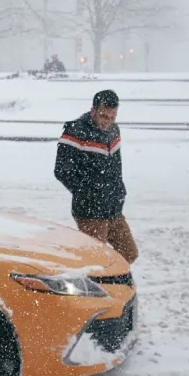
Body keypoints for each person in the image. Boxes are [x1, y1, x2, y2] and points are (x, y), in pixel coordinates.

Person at [54, 88, 139, 264]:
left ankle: (113, 284)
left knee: (129, 253)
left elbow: (116, 168)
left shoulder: (113, 130)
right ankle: (94, 288)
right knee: (95, 262)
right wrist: (89, 193)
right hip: (90, 211)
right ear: (93, 110)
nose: (107, 122)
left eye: (112, 117)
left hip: (113, 208)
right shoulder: (75, 132)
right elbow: (62, 170)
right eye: (103, 116)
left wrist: (119, 192)